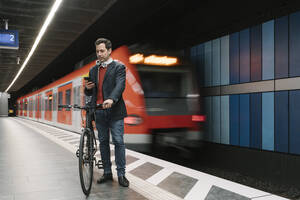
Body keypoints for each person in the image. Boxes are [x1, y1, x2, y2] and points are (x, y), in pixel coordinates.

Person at [84, 38, 129, 187]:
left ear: (109, 50)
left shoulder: (119, 67)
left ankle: (121, 174)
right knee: (103, 142)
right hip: (99, 112)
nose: (99, 54)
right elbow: (89, 92)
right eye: (97, 51)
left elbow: (120, 85)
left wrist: (111, 99)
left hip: (115, 111)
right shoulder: (93, 69)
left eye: (102, 51)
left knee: (118, 141)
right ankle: (107, 173)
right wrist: (88, 88)